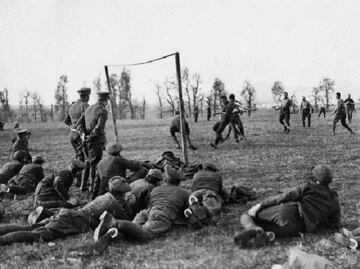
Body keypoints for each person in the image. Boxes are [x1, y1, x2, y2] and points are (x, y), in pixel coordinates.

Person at [0, 176, 132, 246]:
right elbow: (127, 220)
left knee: (30, 228)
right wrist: (128, 204)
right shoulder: (114, 202)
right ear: (121, 193)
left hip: (68, 213)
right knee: (38, 235)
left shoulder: (104, 196)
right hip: (75, 220)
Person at [234, 165, 340, 248]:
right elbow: (334, 224)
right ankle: (265, 236)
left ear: (315, 178)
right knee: (270, 229)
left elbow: (285, 196)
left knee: (247, 214)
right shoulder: (334, 200)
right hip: (299, 228)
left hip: (290, 211)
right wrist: (318, 219)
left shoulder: (309, 187)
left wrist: (261, 204)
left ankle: (252, 228)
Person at [90, 165, 189, 253]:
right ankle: (114, 223)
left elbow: (150, 203)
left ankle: (108, 233)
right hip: (161, 215)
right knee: (146, 235)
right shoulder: (183, 193)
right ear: (178, 182)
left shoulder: (155, 189)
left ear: (166, 179)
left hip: (146, 212)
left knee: (131, 234)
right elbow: (185, 212)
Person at [77, 91, 110, 192]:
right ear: (106, 100)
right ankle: (92, 187)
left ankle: (83, 185)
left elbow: (79, 123)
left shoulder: (89, 108)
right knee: (95, 163)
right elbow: (100, 127)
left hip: (85, 140)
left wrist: (83, 135)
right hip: (95, 140)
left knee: (87, 162)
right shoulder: (102, 110)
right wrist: (90, 137)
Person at [64, 87, 91, 186]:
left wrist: (73, 127)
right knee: (85, 158)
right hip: (81, 135)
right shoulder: (85, 106)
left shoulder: (72, 106)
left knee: (78, 156)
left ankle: (77, 179)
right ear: (87, 96)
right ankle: (80, 181)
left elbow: (66, 120)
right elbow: (89, 123)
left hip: (72, 135)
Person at [184, 163, 225, 228]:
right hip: (209, 191)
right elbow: (220, 190)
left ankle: (193, 210)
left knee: (197, 201)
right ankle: (207, 218)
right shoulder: (217, 175)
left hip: (196, 192)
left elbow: (192, 187)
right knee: (213, 210)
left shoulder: (196, 174)